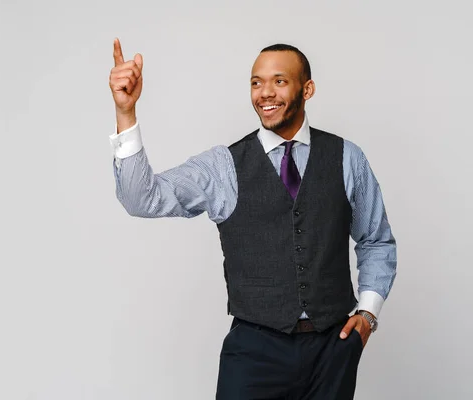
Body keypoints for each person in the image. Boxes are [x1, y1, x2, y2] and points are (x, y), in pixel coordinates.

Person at [108, 38, 397, 400]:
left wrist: (368, 315)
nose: (265, 93)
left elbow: (376, 239)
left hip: (332, 348)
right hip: (255, 351)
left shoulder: (346, 158)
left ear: (306, 89)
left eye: (279, 81)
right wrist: (126, 113)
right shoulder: (223, 166)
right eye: (256, 82)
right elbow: (141, 199)